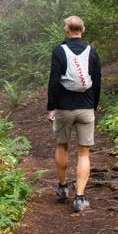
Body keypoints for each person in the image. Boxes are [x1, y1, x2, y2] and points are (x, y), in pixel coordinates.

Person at [46, 15, 101, 213]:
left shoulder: (59, 51)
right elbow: (98, 81)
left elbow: (54, 81)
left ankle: (62, 189)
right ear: (83, 30)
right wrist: (92, 106)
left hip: (63, 108)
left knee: (62, 145)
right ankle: (80, 198)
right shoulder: (92, 52)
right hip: (85, 107)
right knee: (84, 152)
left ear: (66, 30)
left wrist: (51, 107)